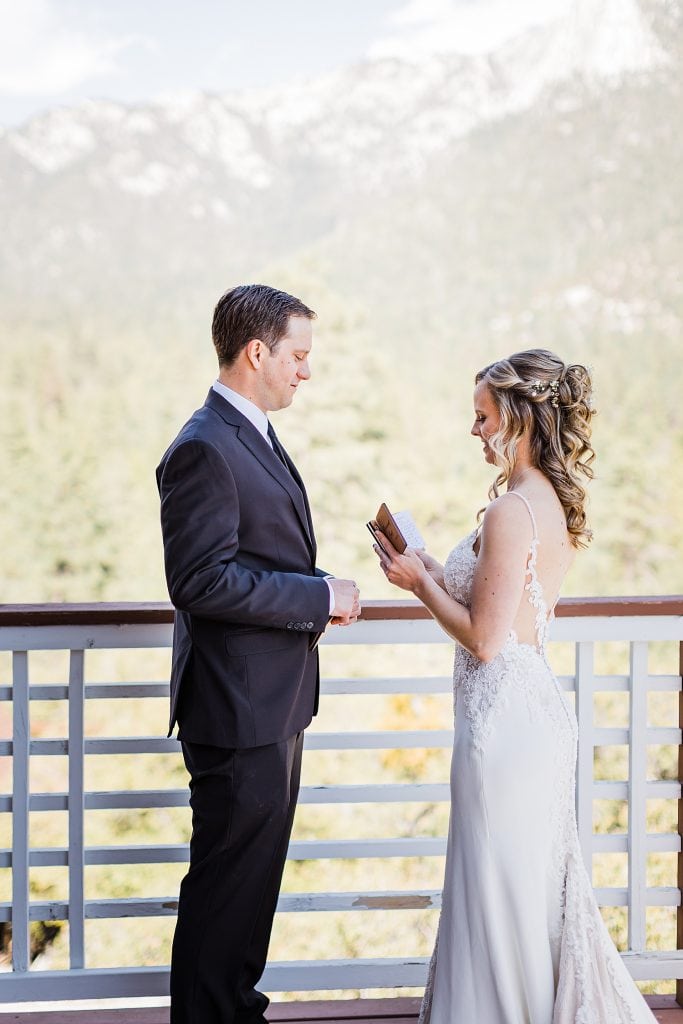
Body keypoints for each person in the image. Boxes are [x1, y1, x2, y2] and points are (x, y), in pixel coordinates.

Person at [373, 349, 656, 1023]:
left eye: (481, 416)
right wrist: (435, 570)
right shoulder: (542, 502)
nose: (473, 431)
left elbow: (483, 638)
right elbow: (497, 607)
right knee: (517, 890)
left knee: (499, 890)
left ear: (519, 417)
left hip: (501, 729)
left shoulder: (508, 512)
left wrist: (417, 588)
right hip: (525, 715)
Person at [156, 284, 361, 1024]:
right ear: (256, 353)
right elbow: (200, 580)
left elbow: (253, 553)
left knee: (250, 888)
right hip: (235, 708)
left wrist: (319, 587)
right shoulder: (203, 446)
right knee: (224, 891)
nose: (304, 371)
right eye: (297, 356)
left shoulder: (249, 433)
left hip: (271, 701)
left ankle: (236, 1010)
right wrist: (316, 600)